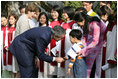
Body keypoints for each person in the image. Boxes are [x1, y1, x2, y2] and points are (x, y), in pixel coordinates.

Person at [73, 12, 106, 78]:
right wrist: (81, 47)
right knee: (87, 57)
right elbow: (84, 38)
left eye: (78, 23)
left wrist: (83, 51)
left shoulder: (95, 24)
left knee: (90, 62)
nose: (78, 25)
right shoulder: (85, 25)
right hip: (95, 41)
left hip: (102, 41)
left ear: (83, 20)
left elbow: (95, 41)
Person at [48, 5, 62, 78]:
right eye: (52, 12)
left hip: (58, 47)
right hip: (50, 47)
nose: (53, 14)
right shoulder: (49, 23)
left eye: (55, 12)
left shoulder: (62, 23)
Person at [4, 13, 19, 78]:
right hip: (9, 50)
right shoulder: (8, 28)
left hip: (15, 50)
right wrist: (6, 46)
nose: (10, 20)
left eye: (12, 19)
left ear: (15, 20)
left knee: (16, 68)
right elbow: (6, 38)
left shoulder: (17, 29)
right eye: (9, 19)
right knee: (11, 69)